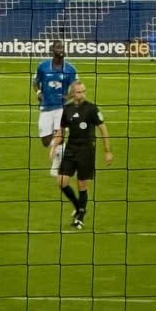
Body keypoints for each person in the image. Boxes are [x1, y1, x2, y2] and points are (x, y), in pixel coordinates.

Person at [50, 81, 112, 230]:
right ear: (72, 94)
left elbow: (103, 129)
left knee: (82, 184)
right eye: (79, 92)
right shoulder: (67, 109)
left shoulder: (91, 109)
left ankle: (80, 218)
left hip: (86, 151)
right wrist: (53, 147)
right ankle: (79, 207)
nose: (82, 94)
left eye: (84, 91)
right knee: (62, 181)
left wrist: (107, 150)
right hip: (71, 149)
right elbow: (61, 131)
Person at [32, 41, 77, 177]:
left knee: (59, 135)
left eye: (62, 47)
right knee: (46, 141)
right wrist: (38, 92)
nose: (61, 49)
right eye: (58, 47)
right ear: (52, 50)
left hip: (61, 108)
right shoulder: (43, 66)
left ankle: (57, 164)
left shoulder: (70, 69)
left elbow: (76, 87)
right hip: (45, 107)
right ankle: (63, 151)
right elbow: (35, 82)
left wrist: (68, 97)